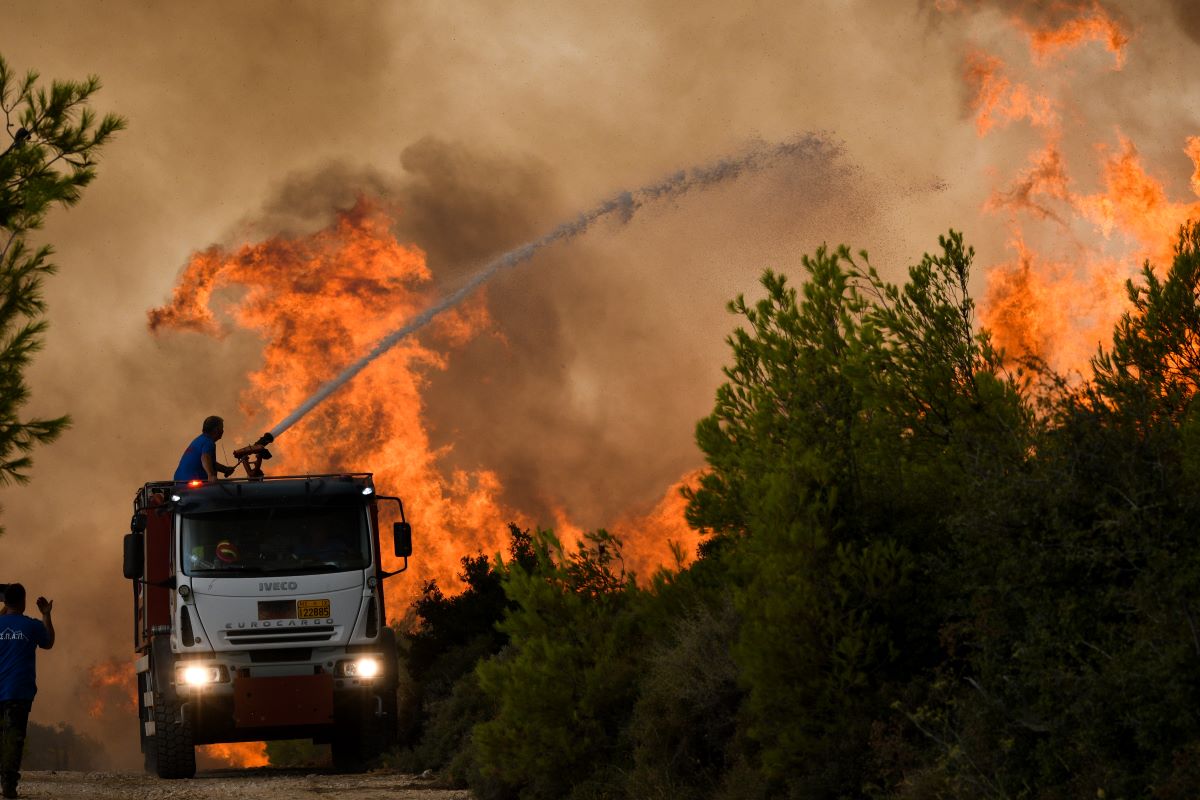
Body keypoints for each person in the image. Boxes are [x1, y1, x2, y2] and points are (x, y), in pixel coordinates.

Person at [0, 584, 54, 799]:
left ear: (4, 602)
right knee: (13, 737)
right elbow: (48, 642)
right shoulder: (31, 626)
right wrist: (46, 615)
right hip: (18, 692)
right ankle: (9, 785)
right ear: (23, 601)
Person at [173, 416, 236, 482]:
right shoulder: (208, 442)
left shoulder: (200, 440)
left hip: (178, 481)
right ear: (216, 429)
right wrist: (211, 476)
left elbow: (209, 462)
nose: (223, 431)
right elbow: (205, 457)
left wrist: (225, 469)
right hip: (191, 483)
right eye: (221, 428)